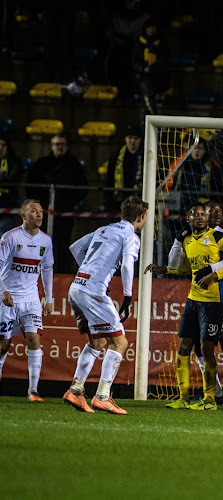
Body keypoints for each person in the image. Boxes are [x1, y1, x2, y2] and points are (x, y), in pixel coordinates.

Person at [146, 202, 223, 410]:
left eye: (202, 214)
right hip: (193, 300)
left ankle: (214, 398)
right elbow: (186, 268)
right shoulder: (188, 240)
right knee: (184, 347)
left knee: (210, 348)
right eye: (195, 214)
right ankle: (184, 397)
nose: (199, 217)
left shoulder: (221, 237)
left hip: (215, 302)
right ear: (188, 219)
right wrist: (164, 268)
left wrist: (214, 276)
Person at [62, 196, 148, 414]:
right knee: (120, 343)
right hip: (93, 291)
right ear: (140, 217)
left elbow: (75, 247)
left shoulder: (104, 229)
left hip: (77, 287)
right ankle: (102, 396)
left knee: (97, 343)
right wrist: (128, 297)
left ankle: (76, 390)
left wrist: (90, 271)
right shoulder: (131, 236)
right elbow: (128, 264)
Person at [0, 200, 53, 401]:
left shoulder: (46, 241)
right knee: (4, 346)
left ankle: (33, 390)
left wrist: (48, 298)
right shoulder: (10, 238)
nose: (39, 215)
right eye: (34, 211)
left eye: (41, 211)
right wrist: (3, 291)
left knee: (34, 339)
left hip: (31, 299)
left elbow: (47, 269)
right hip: (8, 299)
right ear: (23, 215)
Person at [26, 133, 87, 274]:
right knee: (40, 244)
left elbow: (82, 187)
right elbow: (31, 186)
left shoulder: (74, 165)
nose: (59, 147)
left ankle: (61, 273)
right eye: (56, 144)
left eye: (63, 144)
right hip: (43, 213)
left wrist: (70, 201)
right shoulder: (41, 164)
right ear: (51, 146)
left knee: (62, 245)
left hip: (64, 213)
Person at [104, 124, 144, 212]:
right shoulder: (116, 157)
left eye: (135, 138)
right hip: (119, 203)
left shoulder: (145, 158)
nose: (132, 141)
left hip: (139, 203)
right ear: (125, 139)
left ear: (140, 140)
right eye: (130, 138)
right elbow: (109, 180)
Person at [0, 135, 23, 234]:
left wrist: (2, 179)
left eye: (3, 145)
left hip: (7, 203)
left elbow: (14, 180)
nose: (0, 148)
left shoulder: (14, 162)